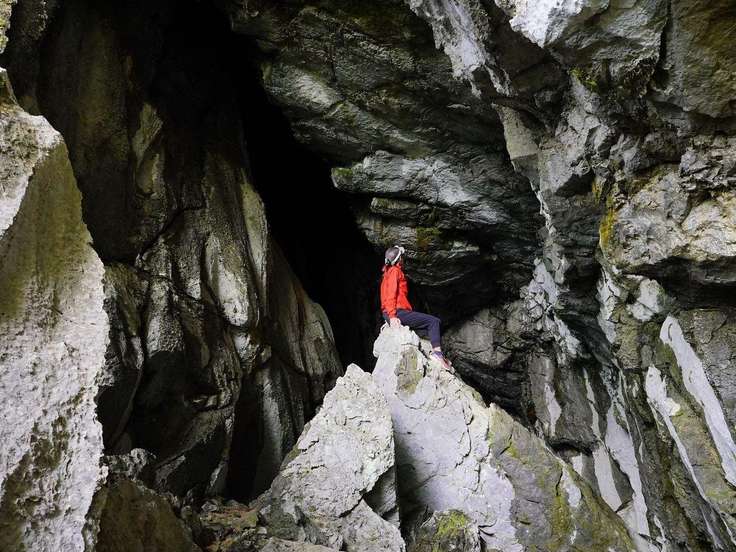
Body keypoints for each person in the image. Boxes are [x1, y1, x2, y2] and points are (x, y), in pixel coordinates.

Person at [380, 245, 452, 371]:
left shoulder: (386, 273)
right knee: (434, 322)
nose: (403, 259)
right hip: (397, 312)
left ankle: (433, 353)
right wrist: (392, 316)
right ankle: (437, 355)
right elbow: (391, 294)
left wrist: (388, 315)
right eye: (402, 257)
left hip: (391, 312)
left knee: (426, 333)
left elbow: (384, 296)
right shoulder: (395, 271)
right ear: (399, 259)